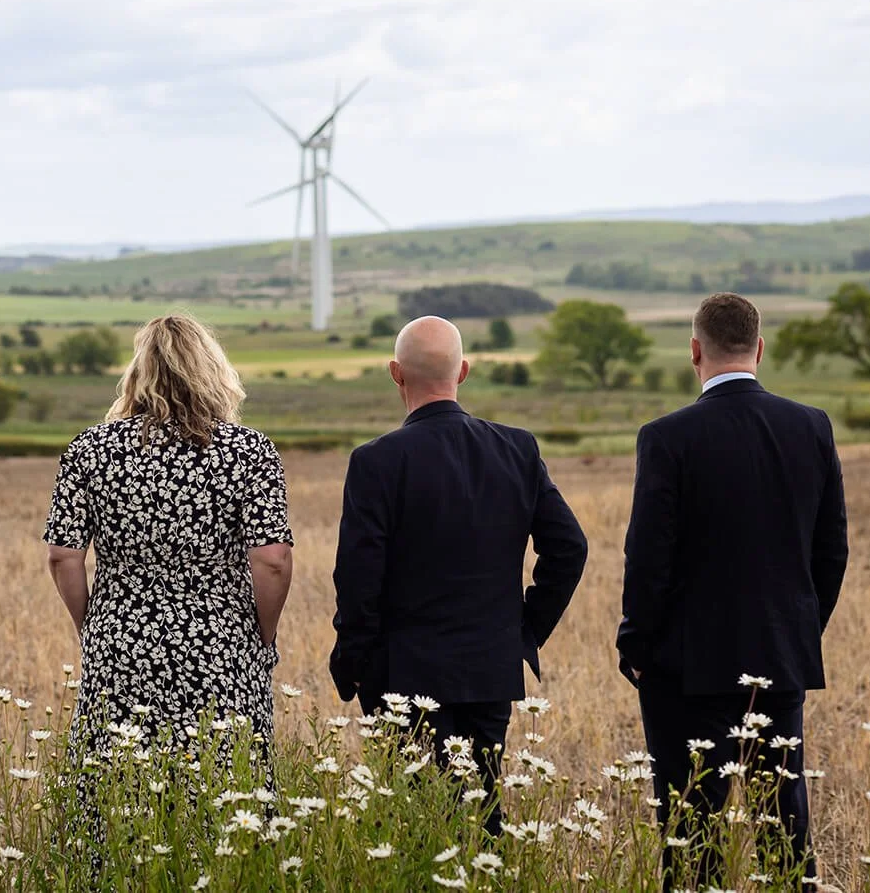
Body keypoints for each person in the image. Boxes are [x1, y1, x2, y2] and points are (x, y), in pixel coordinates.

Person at [618, 293, 849, 890]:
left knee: (692, 830)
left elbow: (648, 558)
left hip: (684, 667)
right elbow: (832, 552)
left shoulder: (666, 437)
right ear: (760, 348)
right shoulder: (811, 425)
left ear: (694, 351)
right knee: (784, 823)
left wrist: (637, 645)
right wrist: (796, 630)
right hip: (780, 656)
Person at [329, 315, 588, 829]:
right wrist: (521, 630)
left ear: (395, 374)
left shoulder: (376, 462)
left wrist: (354, 657)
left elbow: (358, 577)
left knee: (414, 827)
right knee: (481, 815)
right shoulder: (517, 449)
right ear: (463, 371)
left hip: (400, 675)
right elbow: (569, 549)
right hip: (488, 670)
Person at [43, 313, 294, 757]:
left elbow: (63, 556)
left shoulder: (90, 449)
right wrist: (262, 636)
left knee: (117, 787)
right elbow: (273, 559)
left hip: (120, 643)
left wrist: (97, 626)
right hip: (221, 644)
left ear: (138, 373)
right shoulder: (250, 451)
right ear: (211, 372)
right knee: (223, 786)